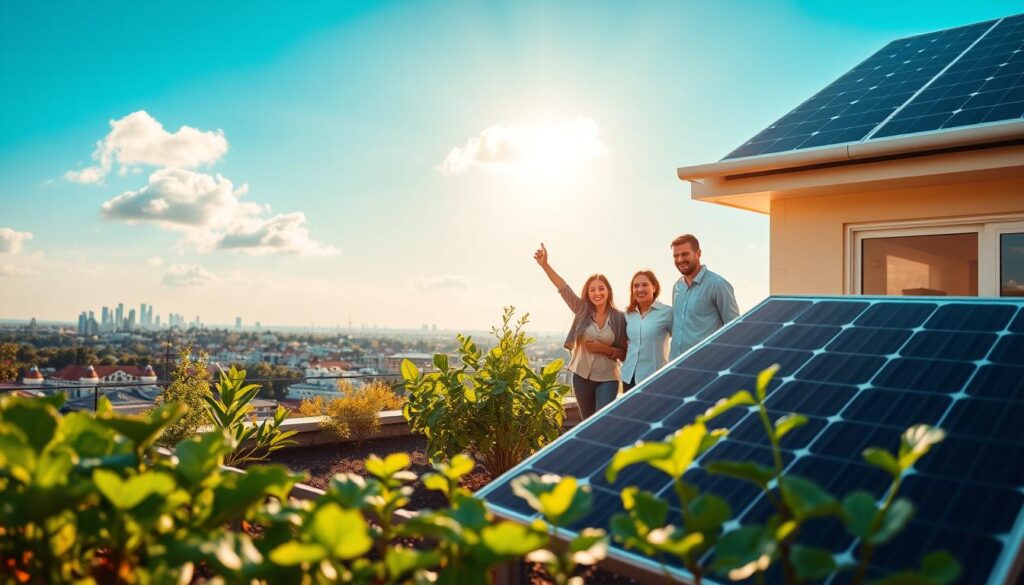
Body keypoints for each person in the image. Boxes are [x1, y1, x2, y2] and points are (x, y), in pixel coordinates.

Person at [534, 243, 627, 419]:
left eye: (601, 288)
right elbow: (563, 289)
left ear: (608, 291)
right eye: (592, 290)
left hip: (607, 378)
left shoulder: (619, 318)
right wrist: (545, 265)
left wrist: (605, 349)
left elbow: (623, 353)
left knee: (602, 422)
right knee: (587, 424)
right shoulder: (581, 309)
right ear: (587, 293)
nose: (597, 293)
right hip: (580, 377)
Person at [669, 234, 740, 360]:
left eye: (685, 254)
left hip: (705, 364)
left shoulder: (718, 285)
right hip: (675, 365)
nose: (680, 259)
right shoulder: (677, 287)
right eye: (676, 255)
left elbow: (734, 328)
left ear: (698, 253)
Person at [621, 270, 673, 391]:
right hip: (629, 377)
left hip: (654, 377)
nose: (640, 289)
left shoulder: (667, 312)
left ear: (654, 287)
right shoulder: (628, 314)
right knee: (631, 410)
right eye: (636, 286)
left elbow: (679, 340)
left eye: (645, 285)